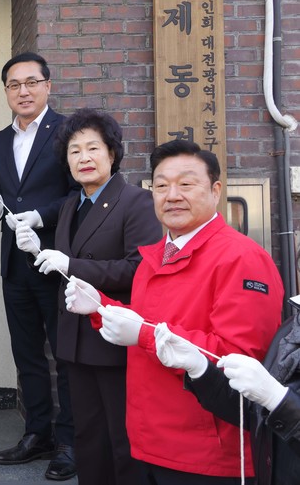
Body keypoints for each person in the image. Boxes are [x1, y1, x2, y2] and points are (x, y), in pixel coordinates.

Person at [65, 140, 284, 484]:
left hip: (206, 453)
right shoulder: (156, 255)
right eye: (162, 185)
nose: (172, 195)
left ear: (215, 191)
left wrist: (143, 334)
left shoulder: (242, 258)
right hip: (148, 440)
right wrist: (101, 307)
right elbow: (152, 321)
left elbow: (237, 359)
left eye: (186, 184)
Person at [15, 108, 162, 485]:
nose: (84, 157)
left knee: (122, 439)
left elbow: (138, 269)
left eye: (93, 148)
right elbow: (66, 269)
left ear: (112, 153)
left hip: (114, 339)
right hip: (75, 341)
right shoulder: (70, 205)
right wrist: (36, 252)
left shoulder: (136, 202)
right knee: (87, 437)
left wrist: (72, 264)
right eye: (75, 150)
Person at [0, 51, 79, 481]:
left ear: (47, 86)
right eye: (14, 84)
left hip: (55, 260)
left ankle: (70, 442)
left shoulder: (68, 133)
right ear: (6, 91)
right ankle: (37, 433)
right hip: (14, 263)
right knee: (27, 355)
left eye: (31, 82)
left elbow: (79, 194)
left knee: (65, 354)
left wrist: (41, 217)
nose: (23, 91)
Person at [155, 296, 300, 485]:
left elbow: (274, 403)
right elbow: (254, 413)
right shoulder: (292, 327)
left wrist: (278, 400)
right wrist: (201, 369)